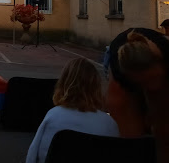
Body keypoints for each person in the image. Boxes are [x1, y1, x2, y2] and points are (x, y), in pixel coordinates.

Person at [26, 58, 119, 163]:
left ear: (64, 83)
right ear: (96, 86)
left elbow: (32, 156)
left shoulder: (53, 116)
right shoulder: (110, 124)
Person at [106, 28, 169, 163]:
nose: (151, 86)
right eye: (143, 82)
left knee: (163, 129)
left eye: (153, 78)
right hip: (122, 69)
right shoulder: (120, 73)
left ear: (161, 65)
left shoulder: (166, 54)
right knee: (130, 134)